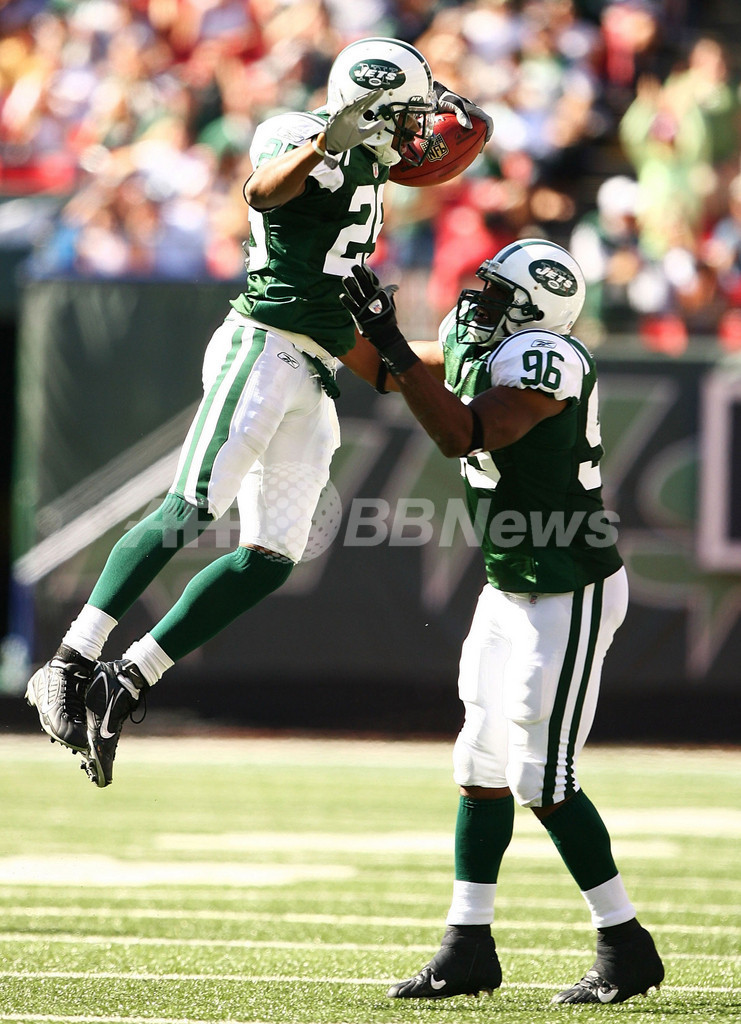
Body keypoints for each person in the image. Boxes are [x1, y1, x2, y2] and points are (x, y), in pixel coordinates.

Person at [25, 36, 491, 789]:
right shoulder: (300, 135)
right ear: (368, 108)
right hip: (262, 346)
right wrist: (327, 141)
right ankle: (70, 660)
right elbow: (262, 193)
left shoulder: (372, 169)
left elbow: (382, 363)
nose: (418, 129)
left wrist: (462, 353)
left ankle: (128, 679)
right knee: (191, 506)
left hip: (313, 364)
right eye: (407, 113)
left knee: (273, 554)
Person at [338, 239, 665, 1005]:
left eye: (495, 294)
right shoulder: (480, 342)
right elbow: (392, 372)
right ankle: (466, 948)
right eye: (481, 287)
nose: (475, 303)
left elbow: (463, 432)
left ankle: (625, 945)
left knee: (540, 776)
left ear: (536, 308)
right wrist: (325, 315)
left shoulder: (548, 359)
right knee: (478, 763)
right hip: (508, 584)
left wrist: (391, 344)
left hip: (568, 587)